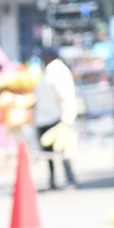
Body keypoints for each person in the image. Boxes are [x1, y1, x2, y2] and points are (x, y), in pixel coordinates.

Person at [32, 46, 78, 190]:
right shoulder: (45, 71)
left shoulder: (59, 71)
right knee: (48, 155)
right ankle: (52, 182)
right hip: (44, 119)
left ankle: (71, 180)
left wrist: (67, 119)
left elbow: (66, 96)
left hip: (57, 119)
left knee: (64, 152)